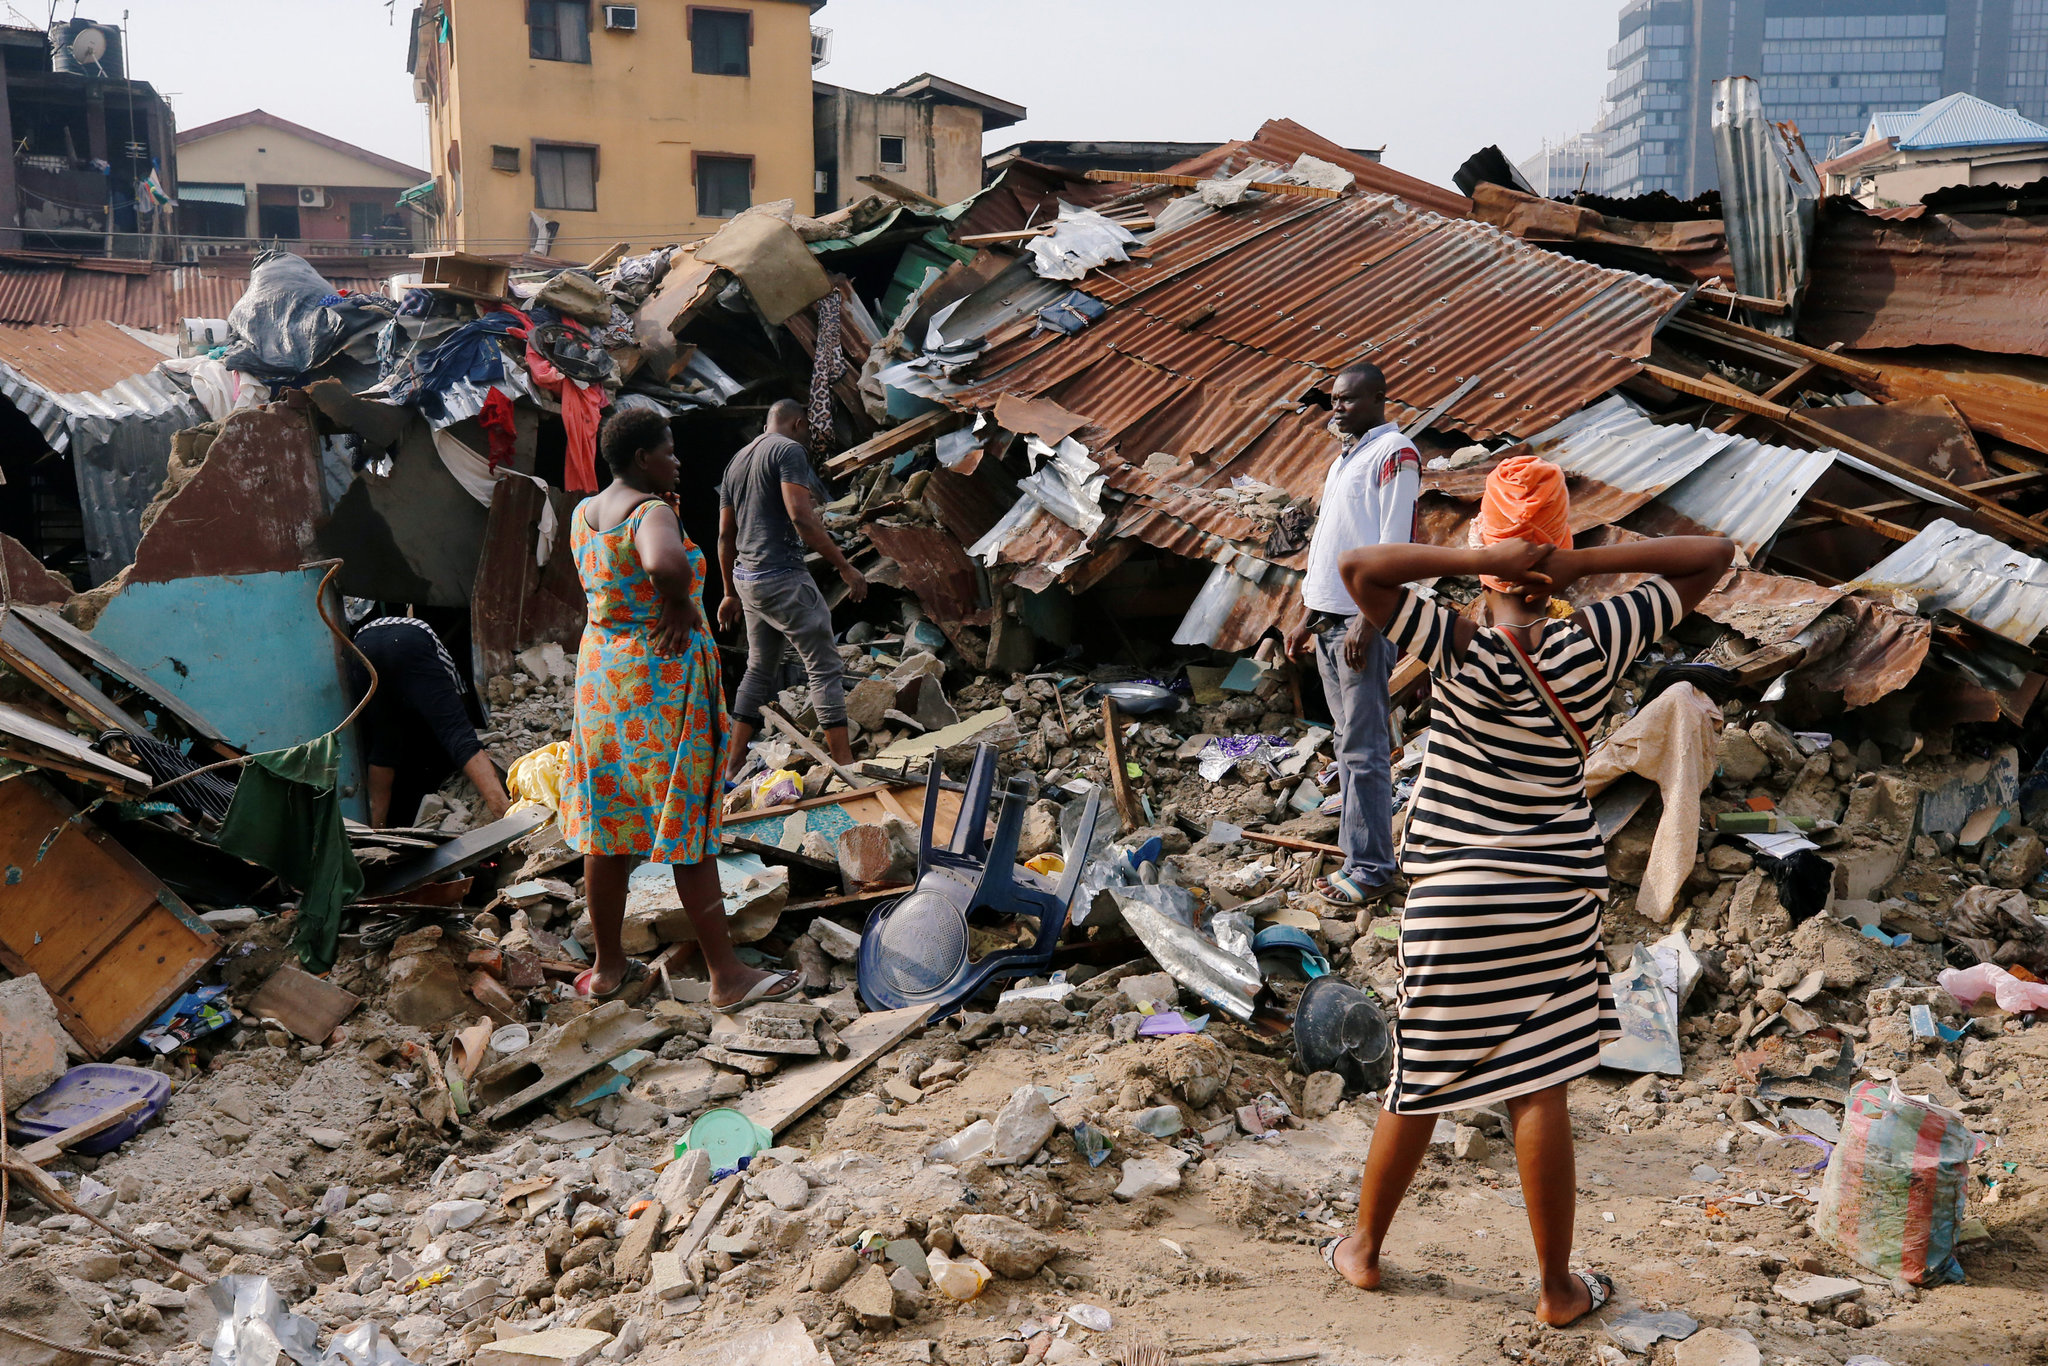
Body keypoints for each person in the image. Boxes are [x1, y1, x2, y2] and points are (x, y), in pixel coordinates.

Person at [1320, 453, 1734, 1326]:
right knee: (1540, 1084)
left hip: (1454, 893)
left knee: (1420, 1076)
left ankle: (1363, 1250)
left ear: (1486, 546)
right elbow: (1714, 555)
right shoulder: (1600, 637)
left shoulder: (1454, 640)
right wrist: (1580, 567)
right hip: (1553, 894)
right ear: (1557, 549)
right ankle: (1555, 1290)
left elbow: (1359, 569)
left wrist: (1480, 562)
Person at [558, 407, 802, 1010]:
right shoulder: (650, 512)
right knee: (685, 821)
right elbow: (663, 564)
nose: (677, 460)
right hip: (659, 687)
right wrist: (680, 602)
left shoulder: (584, 513)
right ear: (642, 458)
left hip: (603, 682)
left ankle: (608, 968)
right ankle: (726, 976)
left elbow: (615, 577)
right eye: (668, 450)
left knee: (608, 826)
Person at [1284, 363, 1419, 907]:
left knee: (1364, 750)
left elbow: (1395, 546)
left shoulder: (1395, 454)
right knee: (1347, 744)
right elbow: (1332, 543)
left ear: (1379, 398)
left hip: (1359, 626)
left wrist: (1369, 618)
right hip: (1330, 623)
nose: (1336, 408)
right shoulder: (1347, 457)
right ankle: (1356, 856)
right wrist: (1307, 615)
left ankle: (1373, 869)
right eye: (1334, 400)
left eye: (1347, 399)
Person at [717, 399, 868, 782]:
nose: (809, 440)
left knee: (759, 668)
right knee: (824, 666)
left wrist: (729, 592)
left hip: (747, 579)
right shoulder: (788, 450)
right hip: (782, 577)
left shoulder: (735, 461)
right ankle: (846, 766)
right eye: (809, 432)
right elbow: (800, 515)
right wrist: (844, 566)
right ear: (799, 423)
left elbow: (725, 535)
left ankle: (731, 767)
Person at [347, 614, 511, 829]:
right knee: (458, 734)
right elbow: (457, 689)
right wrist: (467, 724)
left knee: (384, 746)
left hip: (362, 645)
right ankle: (504, 812)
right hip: (410, 639)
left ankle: (376, 830)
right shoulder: (425, 633)